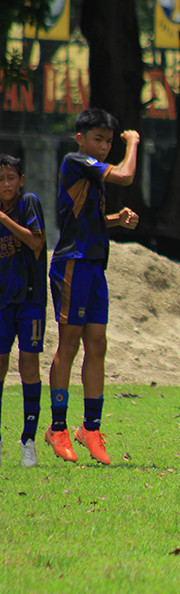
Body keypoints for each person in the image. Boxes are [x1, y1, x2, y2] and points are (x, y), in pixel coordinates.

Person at [46, 108, 140, 465]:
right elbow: (128, 175)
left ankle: (91, 428)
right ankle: (57, 428)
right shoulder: (76, 160)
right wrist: (132, 143)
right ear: (81, 139)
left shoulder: (91, 174)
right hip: (73, 262)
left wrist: (117, 219)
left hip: (95, 264)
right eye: (98, 139)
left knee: (97, 343)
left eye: (110, 141)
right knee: (69, 343)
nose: (104, 147)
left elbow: (85, 218)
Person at [0, 154, 46, 467]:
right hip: (1, 302)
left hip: (30, 300)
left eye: (11, 178)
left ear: (21, 181)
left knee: (29, 365)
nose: (6, 184)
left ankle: (28, 440)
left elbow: (36, 243)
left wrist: (2, 219)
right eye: (1, 179)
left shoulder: (29, 203)